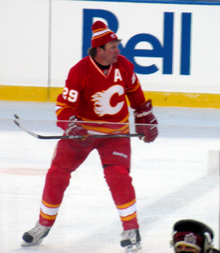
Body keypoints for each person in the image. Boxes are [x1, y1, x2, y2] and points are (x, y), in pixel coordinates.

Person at [21, 20, 158, 252]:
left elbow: (135, 93)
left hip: (115, 134)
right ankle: (43, 224)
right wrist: (71, 124)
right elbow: (64, 105)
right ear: (99, 49)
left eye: (118, 45)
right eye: (113, 46)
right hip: (82, 135)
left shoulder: (124, 66)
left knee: (118, 175)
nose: (118, 50)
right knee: (57, 174)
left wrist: (144, 115)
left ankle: (131, 228)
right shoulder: (80, 71)